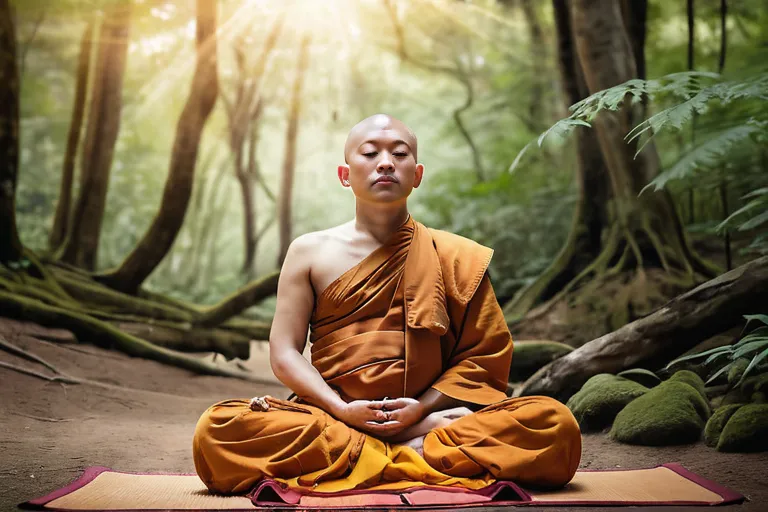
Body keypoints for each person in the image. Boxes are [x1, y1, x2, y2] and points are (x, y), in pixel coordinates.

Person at [192, 114, 581, 495]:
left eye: (399, 154)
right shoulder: (309, 252)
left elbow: (483, 356)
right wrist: (341, 410)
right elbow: (284, 352)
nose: (385, 163)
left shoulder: (456, 256)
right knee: (216, 432)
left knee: (555, 426)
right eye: (369, 153)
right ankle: (418, 448)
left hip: (424, 413)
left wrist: (421, 410)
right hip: (333, 415)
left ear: (417, 174)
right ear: (345, 175)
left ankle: (374, 452)